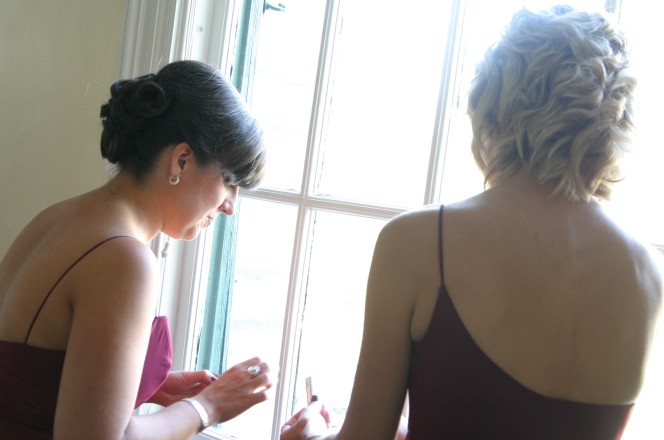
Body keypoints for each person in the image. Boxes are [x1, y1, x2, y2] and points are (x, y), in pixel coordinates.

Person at [280, 5, 663, 440]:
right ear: (614, 120)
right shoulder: (647, 273)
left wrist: (309, 434)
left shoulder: (419, 243)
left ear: (496, 108)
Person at [0, 60, 272, 439]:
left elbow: (31, 370)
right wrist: (207, 406)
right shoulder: (124, 259)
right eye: (228, 180)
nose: (230, 206)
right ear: (181, 160)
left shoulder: (56, 217)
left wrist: (141, 384)